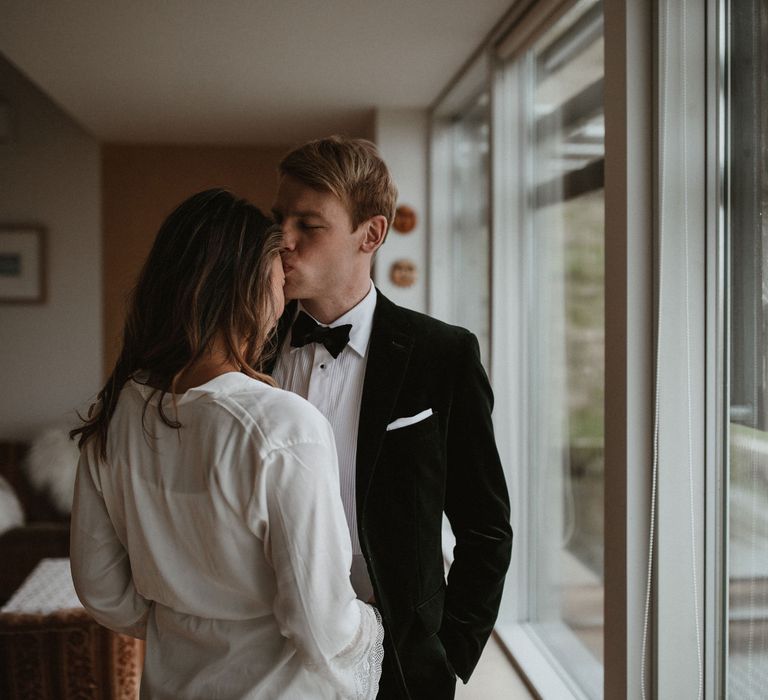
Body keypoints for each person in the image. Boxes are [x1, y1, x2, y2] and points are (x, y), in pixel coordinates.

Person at [69, 189, 384, 699]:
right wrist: (374, 633)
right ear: (252, 288)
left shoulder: (116, 414)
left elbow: (102, 592)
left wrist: (190, 626)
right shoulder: (283, 426)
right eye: (280, 281)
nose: (283, 301)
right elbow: (322, 628)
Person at [270, 137, 513, 699]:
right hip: (270, 651)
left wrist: (451, 651)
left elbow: (485, 525)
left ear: (371, 234)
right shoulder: (245, 346)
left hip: (400, 658)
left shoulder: (442, 354)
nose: (283, 240)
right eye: (278, 219)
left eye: (309, 224)